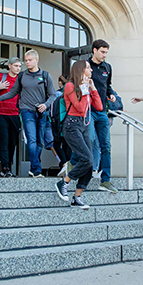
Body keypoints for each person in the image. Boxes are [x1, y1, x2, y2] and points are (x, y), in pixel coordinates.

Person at [0, 50, 56, 177]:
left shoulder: (45, 75)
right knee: (32, 140)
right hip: (26, 111)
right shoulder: (22, 76)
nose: (27, 62)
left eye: (29, 60)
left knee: (40, 142)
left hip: (41, 112)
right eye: (26, 60)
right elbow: (12, 93)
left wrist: (45, 105)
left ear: (36, 60)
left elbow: (53, 95)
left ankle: (33, 168)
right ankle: (36, 169)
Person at [55, 60, 103, 209]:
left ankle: (77, 197)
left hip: (83, 125)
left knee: (89, 163)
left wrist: (93, 89)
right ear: (81, 70)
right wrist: (84, 89)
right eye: (88, 68)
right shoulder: (70, 86)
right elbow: (81, 108)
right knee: (87, 159)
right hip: (72, 125)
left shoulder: (87, 87)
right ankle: (64, 181)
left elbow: (99, 107)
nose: (91, 70)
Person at [88, 39, 119, 193]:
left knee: (106, 146)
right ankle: (75, 167)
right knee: (90, 139)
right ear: (94, 50)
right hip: (88, 111)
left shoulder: (107, 67)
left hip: (102, 112)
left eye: (106, 52)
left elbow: (108, 86)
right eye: (102, 52)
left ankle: (105, 180)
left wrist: (111, 94)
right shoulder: (85, 66)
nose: (104, 55)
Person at [0, 57, 22, 178]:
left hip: (15, 114)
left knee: (12, 142)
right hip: (1, 114)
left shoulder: (21, 79)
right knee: (3, 141)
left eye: (19, 66)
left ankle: (9, 167)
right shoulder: (0, 77)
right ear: (10, 66)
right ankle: (5, 168)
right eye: (16, 66)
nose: (18, 68)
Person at [51, 75, 73, 176]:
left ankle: (65, 164)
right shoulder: (72, 93)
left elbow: (55, 112)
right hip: (70, 123)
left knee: (56, 144)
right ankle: (67, 165)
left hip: (60, 124)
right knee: (68, 146)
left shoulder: (58, 95)